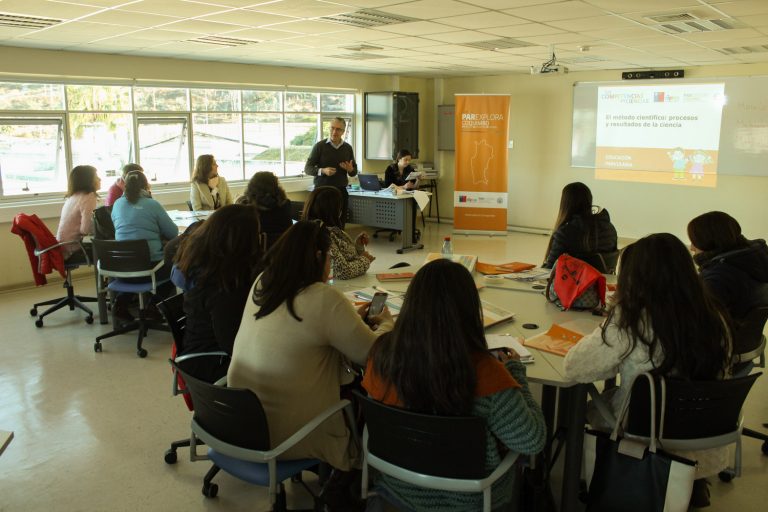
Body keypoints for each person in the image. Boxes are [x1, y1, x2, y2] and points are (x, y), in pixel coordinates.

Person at [362, 258, 546, 511]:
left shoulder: (381, 357)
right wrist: (516, 373)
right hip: (473, 501)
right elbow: (532, 440)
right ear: (469, 310)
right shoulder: (487, 374)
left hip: (396, 493)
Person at [563, 233, 732, 508]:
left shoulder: (631, 321)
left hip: (645, 437)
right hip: (703, 438)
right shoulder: (716, 318)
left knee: (589, 405)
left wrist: (610, 323)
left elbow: (573, 367)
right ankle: (690, 484)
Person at [227, 220, 393, 477]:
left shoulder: (263, 282)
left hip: (244, 423)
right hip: (293, 434)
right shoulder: (324, 298)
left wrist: (352, 321)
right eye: (328, 257)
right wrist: (386, 325)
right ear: (318, 257)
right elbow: (373, 354)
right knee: (372, 384)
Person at [173, 205, 263, 383]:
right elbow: (232, 344)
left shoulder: (207, 265)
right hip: (210, 364)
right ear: (243, 241)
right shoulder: (225, 285)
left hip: (199, 351)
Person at [111, 171, 179, 319]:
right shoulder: (152, 204)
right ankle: (154, 305)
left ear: (125, 185)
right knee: (178, 267)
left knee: (134, 265)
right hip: (150, 271)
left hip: (120, 270)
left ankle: (122, 300)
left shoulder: (117, 204)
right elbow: (173, 232)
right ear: (146, 185)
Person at [687, 211, 768, 332]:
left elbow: (697, 322)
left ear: (707, 240)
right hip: (749, 342)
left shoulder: (718, 277)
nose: (692, 248)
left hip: (722, 344)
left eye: (694, 241)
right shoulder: (755, 261)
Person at [302, 186, 374, 280]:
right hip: (339, 286)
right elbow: (343, 271)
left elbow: (346, 257)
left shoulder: (327, 228)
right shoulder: (322, 234)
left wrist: (358, 246)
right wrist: (365, 260)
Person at [542, 182, 617, 269]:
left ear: (565, 204)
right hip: (603, 280)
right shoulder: (610, 228)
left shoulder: (565, 234)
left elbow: (548, 271)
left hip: (575, 282)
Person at [304, 117, 357, 226]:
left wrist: (350, 169)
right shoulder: (319, 146)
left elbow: (353, 172)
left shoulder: (348, 148)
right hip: (321, 192)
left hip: (341, 191)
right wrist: (322, 170)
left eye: (338, 129)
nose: (334, 132)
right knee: (321, 224)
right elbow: (307, 168)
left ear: (343, 131)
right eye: (332, 128)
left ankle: (340, 242)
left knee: (340, 223)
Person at [57, 165, 100, 261]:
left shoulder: (73, 196)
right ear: (88, 180)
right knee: (112, 251)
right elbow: (85, 230)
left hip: (63, 247)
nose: (100, 179)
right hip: (73, 250)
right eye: (96, 177)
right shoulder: (88, 196)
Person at [243, 171, 292, 249]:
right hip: (283, 251)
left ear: (252, 188)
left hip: (254, 253)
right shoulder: (285, 205)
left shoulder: (246, 209)